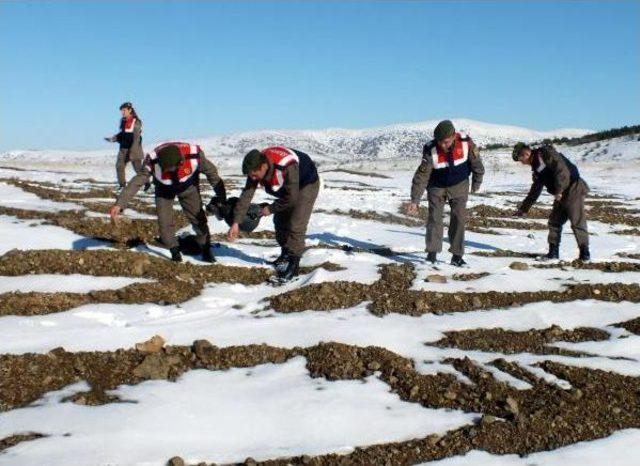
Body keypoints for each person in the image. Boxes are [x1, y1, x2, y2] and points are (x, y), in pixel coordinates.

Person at [109, 142, 226, 262]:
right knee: (164, 222)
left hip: (189, 188)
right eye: (166, 168)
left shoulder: (194, 156)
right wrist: (120, 203)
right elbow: (137, 181)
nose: (168, 171)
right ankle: (174, 250)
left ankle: (206, 248)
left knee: (198, 218)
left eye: (171, 169)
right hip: (164, 189)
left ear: (180, 162)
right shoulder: (152, 162)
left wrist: (222, 199)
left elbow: (213, 175)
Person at [227, 146, 319, 281]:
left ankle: (293, 265)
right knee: (280, 220)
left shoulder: (286, 166)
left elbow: (292, 199)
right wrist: (236, 223)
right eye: (250, 175)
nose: (253, 178)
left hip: (306, 184)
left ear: (263, 166)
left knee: (296, 224)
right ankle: (285, 255)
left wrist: (269, 209)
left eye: (254, 174)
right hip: (289, 189)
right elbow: (246, 195)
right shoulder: (255, 168)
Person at [406, 120, 485, 266]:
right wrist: (415, 200)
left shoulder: (466, 143)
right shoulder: (430, 149)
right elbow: (422, 176)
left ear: (454, 136)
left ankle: (457, 256)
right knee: (435, 219)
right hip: (437, 187)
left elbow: (477, 163)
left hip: (460, 185)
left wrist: (477, 181)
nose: (443, 145)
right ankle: (432, 254)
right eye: (440, 142)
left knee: (459, 219)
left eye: (446, 142)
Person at [512, 142, 590, 261]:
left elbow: (562, 170)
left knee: (577, 221)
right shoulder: (537, 168)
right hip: (561, 192)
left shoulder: (545, 154)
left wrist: (559, 190)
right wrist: (523, 209)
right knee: (554, 222)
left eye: (520, 159)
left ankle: (585, 255)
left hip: (573, 188)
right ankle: (553, 254)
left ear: (526, 154)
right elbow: (535, 190)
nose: (521, 163)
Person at [104, 102, 146, 189]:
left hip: (134, 149)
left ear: (130, 110)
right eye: (121, 111)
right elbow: (122, 134)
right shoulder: (123, 121)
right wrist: (113, 138)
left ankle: (147, 183)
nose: (122, 112)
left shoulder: (136, 122)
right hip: (123, 148)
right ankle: (122, 185)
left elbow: (136, 138)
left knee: (138, 169)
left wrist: (132, 151)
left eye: (124, 110)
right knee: (119, 166)